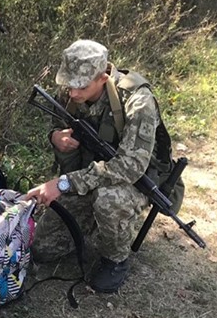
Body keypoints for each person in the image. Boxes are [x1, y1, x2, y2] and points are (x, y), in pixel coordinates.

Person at [26, 40, 182, 293]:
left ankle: (115, 259)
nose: (73, 93)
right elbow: (53, 119)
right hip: (90, 174)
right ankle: (95, 222)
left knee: (109, 200)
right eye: (69, 85)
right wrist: (55, 136)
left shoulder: (138, 101)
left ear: (103, 77)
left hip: (132, 180)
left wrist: (65, 183)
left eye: (82, 87)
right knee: (42, 249)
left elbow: (131, 166)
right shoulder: (72, 89)